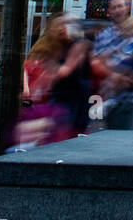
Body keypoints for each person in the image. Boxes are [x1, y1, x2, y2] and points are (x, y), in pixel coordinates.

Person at [13, 13, 91, 148]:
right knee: (56, 136)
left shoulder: (78, 45)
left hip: (74, 98)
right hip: (61, 97)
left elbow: (64, 71)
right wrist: (33, 88)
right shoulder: (51, 46)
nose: (63, 28)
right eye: (59, 25)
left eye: (66, 24)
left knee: (65, 135)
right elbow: (31, 65)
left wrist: (38, 84)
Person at [91, 0, 133, 130]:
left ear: (127, 9)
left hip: (132, 97)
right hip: (111, 95)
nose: (117, 10)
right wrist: (115, 74)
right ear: (109, 12)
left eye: (120, 6)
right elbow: (96, 63)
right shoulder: (104, 35)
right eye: (113, 7)